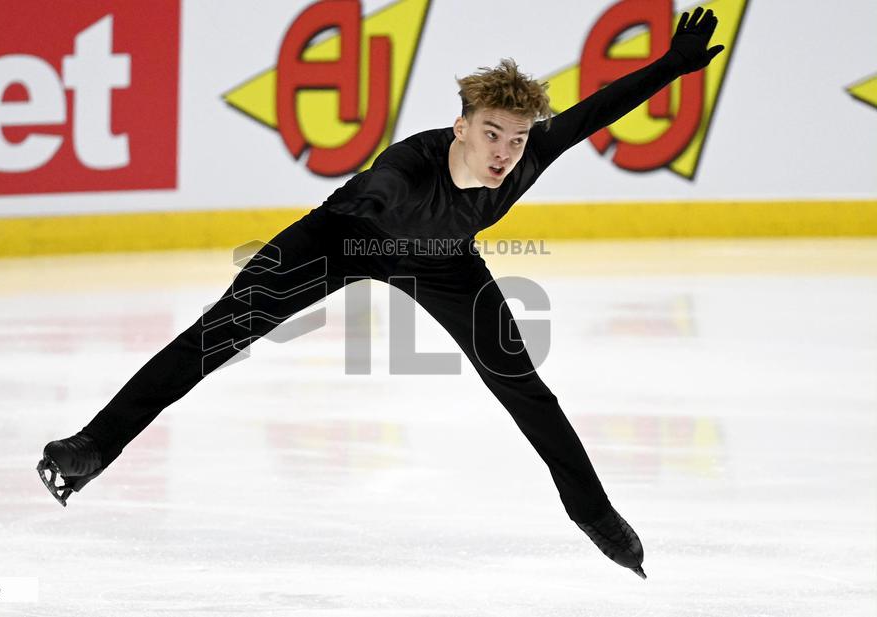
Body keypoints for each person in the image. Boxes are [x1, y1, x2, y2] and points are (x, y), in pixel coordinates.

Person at [37, 8, 724, 579]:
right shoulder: (405, 169)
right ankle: (92, 447)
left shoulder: (525, 159)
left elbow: (595, 111)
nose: (504, 152)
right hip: (343, 238)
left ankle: (594, 514)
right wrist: (355, 206)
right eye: (491, 134)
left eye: (515, 139)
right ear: (460, 126)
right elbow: (374, 190)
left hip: (443, 262)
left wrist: (672, 65)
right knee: (217, 335)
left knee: (522, 383)